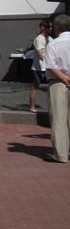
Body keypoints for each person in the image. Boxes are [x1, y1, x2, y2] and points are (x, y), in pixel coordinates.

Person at [43, 14, 70, 163]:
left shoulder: (53, 44)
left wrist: (64, 78)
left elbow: (51, 66)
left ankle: (61, 154)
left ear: (57, 28)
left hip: (58, 82)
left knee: (59, 119)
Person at [29, 19, 52, 113]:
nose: (50, 29)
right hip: (38, 68)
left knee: (51, 87)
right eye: (47, 27)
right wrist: (49, 62)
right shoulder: (38, 39)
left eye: (50, 27)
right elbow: (39, 54)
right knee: (35, 87)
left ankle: (52, 107)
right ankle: (32, 107)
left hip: (49, 68)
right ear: (42, 27)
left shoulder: (50, 39)